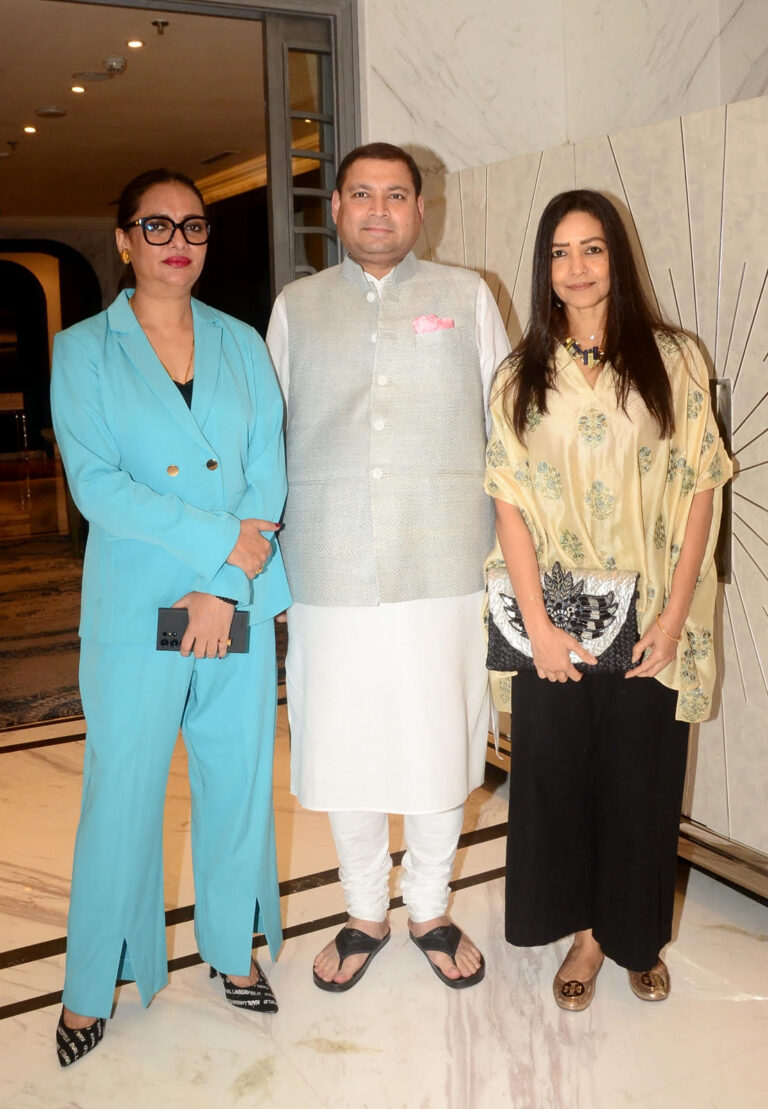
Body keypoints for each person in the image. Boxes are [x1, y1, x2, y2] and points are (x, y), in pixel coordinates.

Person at [50, 168, 291, 1065]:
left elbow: (270, 467)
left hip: (234, 595)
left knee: (236, 784)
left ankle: (232, 950)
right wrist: (215, 546)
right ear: (123, 240)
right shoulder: (82, 351)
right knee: (121, 792)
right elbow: (97, 485)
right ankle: (91, 983)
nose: (177, 240)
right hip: (136, 604)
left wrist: (224, 583)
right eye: (156, 226)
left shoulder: (241, 343)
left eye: (192, 225)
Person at [266, 142, 510, 991]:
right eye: (361, 194)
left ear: (420, 209)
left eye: (396, 195)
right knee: (344, 741)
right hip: (328, 566)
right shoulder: (296, 307)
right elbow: (268, 440)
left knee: (442, 734)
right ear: (335, 209)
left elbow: (506, 426)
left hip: (445, 561)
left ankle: (430, 906)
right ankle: (365, 907)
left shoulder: (467, 296)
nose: (378, 209)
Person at [485, 189, 731, 1010]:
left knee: (642, 778)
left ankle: (630, 934)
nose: (577, 267)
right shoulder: (520, 374)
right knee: (560, 778)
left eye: (592, 249)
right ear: (544, 268)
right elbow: (507, 499)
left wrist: (671, 617)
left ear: (616, 258)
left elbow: (702, 485)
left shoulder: (674, 357)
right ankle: (583, 930)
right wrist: (540, 628)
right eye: (560, 252)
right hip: (553, 610)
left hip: (653, 609)